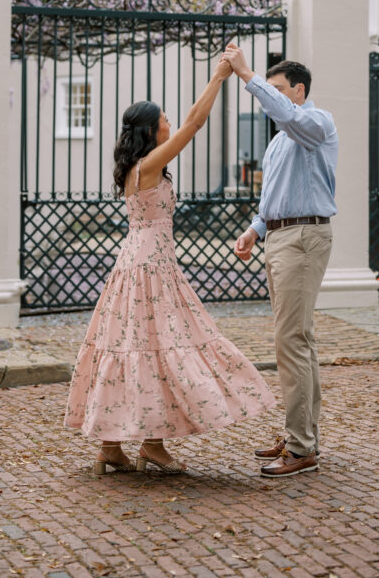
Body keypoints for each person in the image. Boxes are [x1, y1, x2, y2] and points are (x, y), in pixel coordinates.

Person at [64, 58, 275, 475]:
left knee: (137, 346)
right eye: (163, 119)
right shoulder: (150, 165)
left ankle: (115, 446)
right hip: (149, 268)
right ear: (150, 130)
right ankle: (150, 445)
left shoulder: (136, 166)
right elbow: (195, 125)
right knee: (152, 346)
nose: (169, 122)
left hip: (141, 262)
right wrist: (219, 77)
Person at [222, 45, 337, 478]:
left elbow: (290, 116)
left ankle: (301, 446)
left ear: (300, 91)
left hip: (305, 236)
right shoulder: (277, 144)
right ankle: (300, 436)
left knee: (291, 341)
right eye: (269, 89)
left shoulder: (316, 122)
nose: (270, 97)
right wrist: (255, 230)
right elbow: (272, 201)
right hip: (281, 237)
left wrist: (247, 75)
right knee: (295, 341)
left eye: (278, 89)